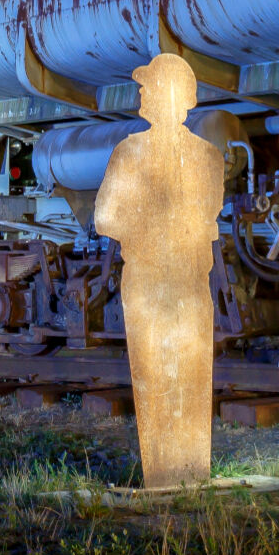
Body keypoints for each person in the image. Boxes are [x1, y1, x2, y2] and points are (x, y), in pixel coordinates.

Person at [94, 54, 224, 489]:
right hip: (190, 283)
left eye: (148, 88)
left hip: (150, 281)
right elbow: (210, 218)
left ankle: (165, 475)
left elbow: (106, 219)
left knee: (154, 377)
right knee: (190, 379)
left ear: (167, 94)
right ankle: (190, 473)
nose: (142, 95)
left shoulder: (129, 153)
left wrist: (146, 227)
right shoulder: (209, 157)